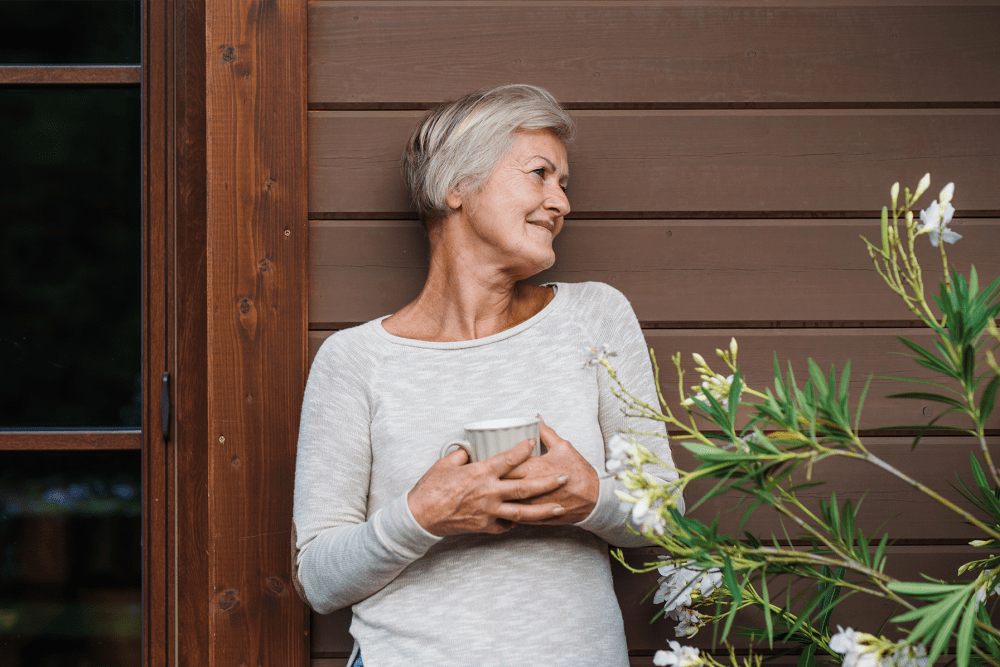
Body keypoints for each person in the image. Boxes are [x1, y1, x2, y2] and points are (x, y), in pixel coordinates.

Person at [292, 84, 682, 667]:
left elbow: (668, 515)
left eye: (564, 185)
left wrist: (591, 497)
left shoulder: (594, 316)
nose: (561, 203)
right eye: (539, 174)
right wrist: (422, 515)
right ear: (455, 185)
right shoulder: (355, 360)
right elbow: (318, 580)